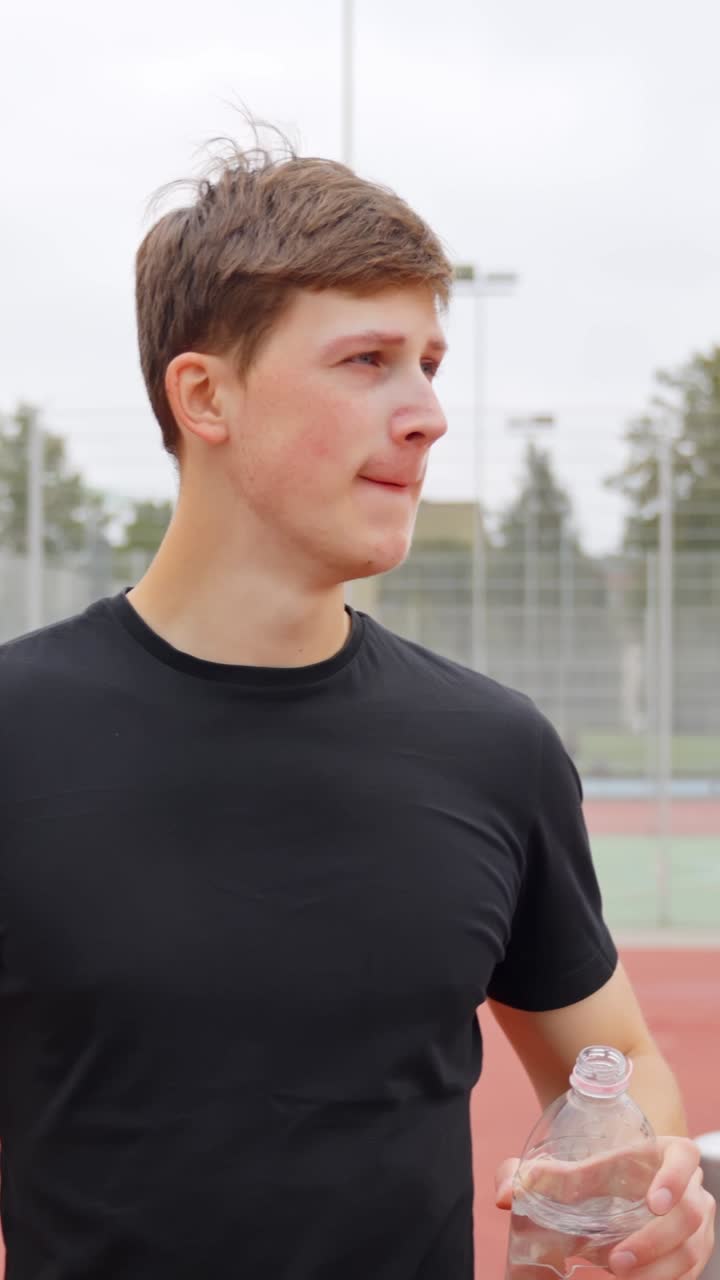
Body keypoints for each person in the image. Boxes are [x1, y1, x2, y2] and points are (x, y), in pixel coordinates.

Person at [0, 128, 714, 1280]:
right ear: (205, 395)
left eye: (430, 362)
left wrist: (649, 1192)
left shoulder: (496, 749)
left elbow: (615, 1056)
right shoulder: (15, 739)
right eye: (368, 359)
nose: (427, 410)